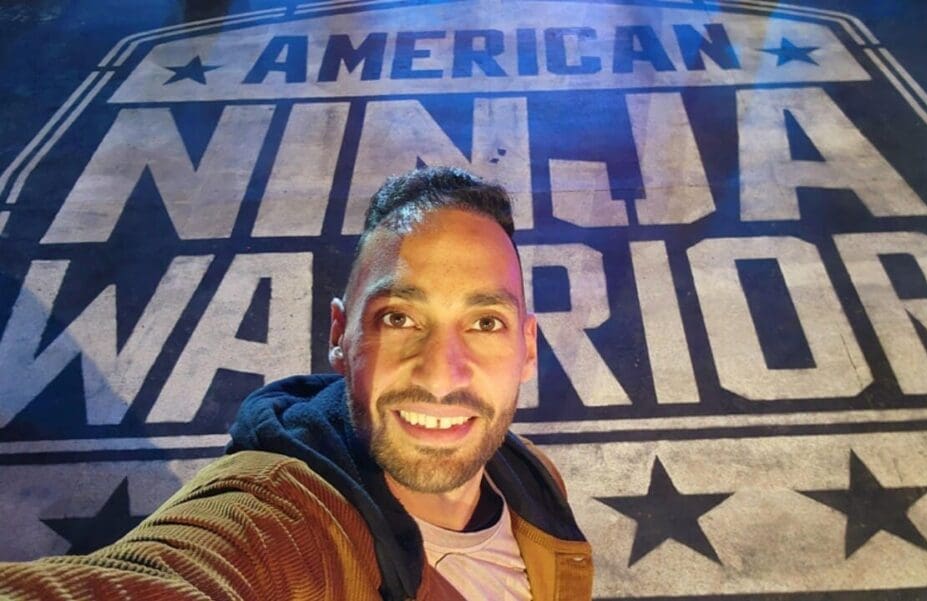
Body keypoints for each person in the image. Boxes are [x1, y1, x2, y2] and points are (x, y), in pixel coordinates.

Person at [0, 167, 593, 600]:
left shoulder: (532, 477)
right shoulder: (274, 522)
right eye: (398, 318)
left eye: (485, 323)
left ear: (527, 348)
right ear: (340, 334)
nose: (442, 373)